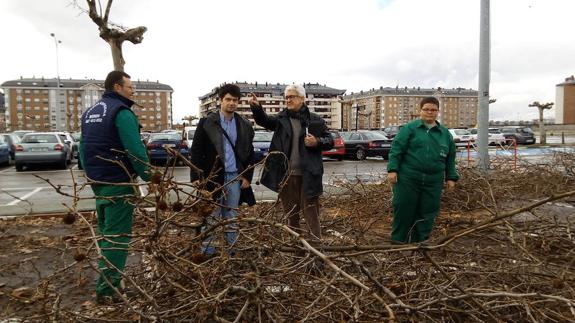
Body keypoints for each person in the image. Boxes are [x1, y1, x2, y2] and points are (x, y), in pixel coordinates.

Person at [80, 70, 152, 304]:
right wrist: (151, 176)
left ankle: (109, 280)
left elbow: (83, 148)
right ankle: (108, 289)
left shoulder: (90, 112)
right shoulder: (122, 113)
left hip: (99, 182)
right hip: (118, 182)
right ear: (117, 87)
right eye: (130, 87)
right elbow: (135, 150)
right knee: (117, 237)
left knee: (106, 233)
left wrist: (90, 174)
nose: (133, 91)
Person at [249, 84, 333, 241]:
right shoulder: (282, 119)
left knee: (311, 217)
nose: (288, 100)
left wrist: (317, 142)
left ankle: (315, 255)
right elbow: (265, 121)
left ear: (302, 98)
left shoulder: (315, 120)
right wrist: (257, 108)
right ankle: (295, 251)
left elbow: (330, 141)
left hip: (309, 175)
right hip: (286, 176)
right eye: (286, 97)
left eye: (291, 96)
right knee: (291, 217)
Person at [190, 84, 255, 255]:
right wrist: (196, 175)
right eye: (228, 99)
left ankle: (231, 253)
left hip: (235, 178)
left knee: (231, 217)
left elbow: (249, 153)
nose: (232, 103)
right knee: (210, 215)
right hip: (212, 177)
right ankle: (207, 252)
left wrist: (247, 177)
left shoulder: (245, 125)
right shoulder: (207, 123)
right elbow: (196, 150)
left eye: (235, 100)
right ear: (220, 100)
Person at [386, 96, 459, 244]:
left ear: (438, 112)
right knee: (404, 207)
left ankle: (420, 242)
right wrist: (392, 169)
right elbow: (396, 149)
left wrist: (451, 177)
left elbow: (450, 157)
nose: (430, 112)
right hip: (408, 178)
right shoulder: (410, 129)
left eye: (433, 110)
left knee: (428, 211)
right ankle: (398, 241)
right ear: (420, 111)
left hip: (434, 180)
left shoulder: (444, 134)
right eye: (426, 109)